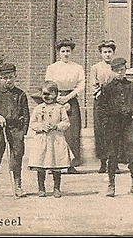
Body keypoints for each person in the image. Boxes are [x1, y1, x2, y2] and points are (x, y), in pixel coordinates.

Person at [99, 57, 133, 197]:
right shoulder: (107, 88)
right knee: (112, 154)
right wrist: (106, 124)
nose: (120, 73)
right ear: (112, 71)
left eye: (122, 70)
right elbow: (102, 109)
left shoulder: (132, 86)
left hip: (128, 124)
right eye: (117, 71)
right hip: (113, 125)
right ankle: (111, 185)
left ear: (126, 70)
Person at [0, 62, 30, 199]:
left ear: (15, 76)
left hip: (16, 129)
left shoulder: (21, 94)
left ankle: (17, 186)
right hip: (0, 128)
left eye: (10, 77)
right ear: (0, 78)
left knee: (17, 156)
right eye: (5, 78)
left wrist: (23, 132)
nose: (8, 81)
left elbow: (26, 114)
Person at [44, 38, 85, 173]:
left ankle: (71, 164)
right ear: (58, 53)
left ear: (71, 52)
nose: (66, 54)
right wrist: (58, 99)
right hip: (55, 101)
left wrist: (68, 98)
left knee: (72, 132)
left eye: (68, 51)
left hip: (72, 100)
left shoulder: (77, 68)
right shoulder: (52, 68)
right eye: (63, 51)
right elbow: (48, 84)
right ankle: (53, 165)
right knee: (55, 132)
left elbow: (81, 85)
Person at [27, 81, 73, 198]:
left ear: (56, 95)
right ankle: (41, 188)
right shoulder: (38, 108)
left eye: (50, 94)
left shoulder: (60, 108)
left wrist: (57, 126)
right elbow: (32, 123)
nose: (47, 97)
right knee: (40, 164)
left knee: (56, 164)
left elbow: (66, 123)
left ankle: (56, 188)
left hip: (55, 139)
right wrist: (42, 127)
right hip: (42, 140)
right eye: (44, 94)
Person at [90, 39, 117, 173]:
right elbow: (93, 86)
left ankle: (115, 162)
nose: (107, 55)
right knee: (101, 132)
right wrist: (101, 92)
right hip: (100, 102)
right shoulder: (95, 68)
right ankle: (102, 162)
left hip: (114, 103)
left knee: (114, 132)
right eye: (105, 52)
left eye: (109, 52)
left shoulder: (116, 67)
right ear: (101, 53)